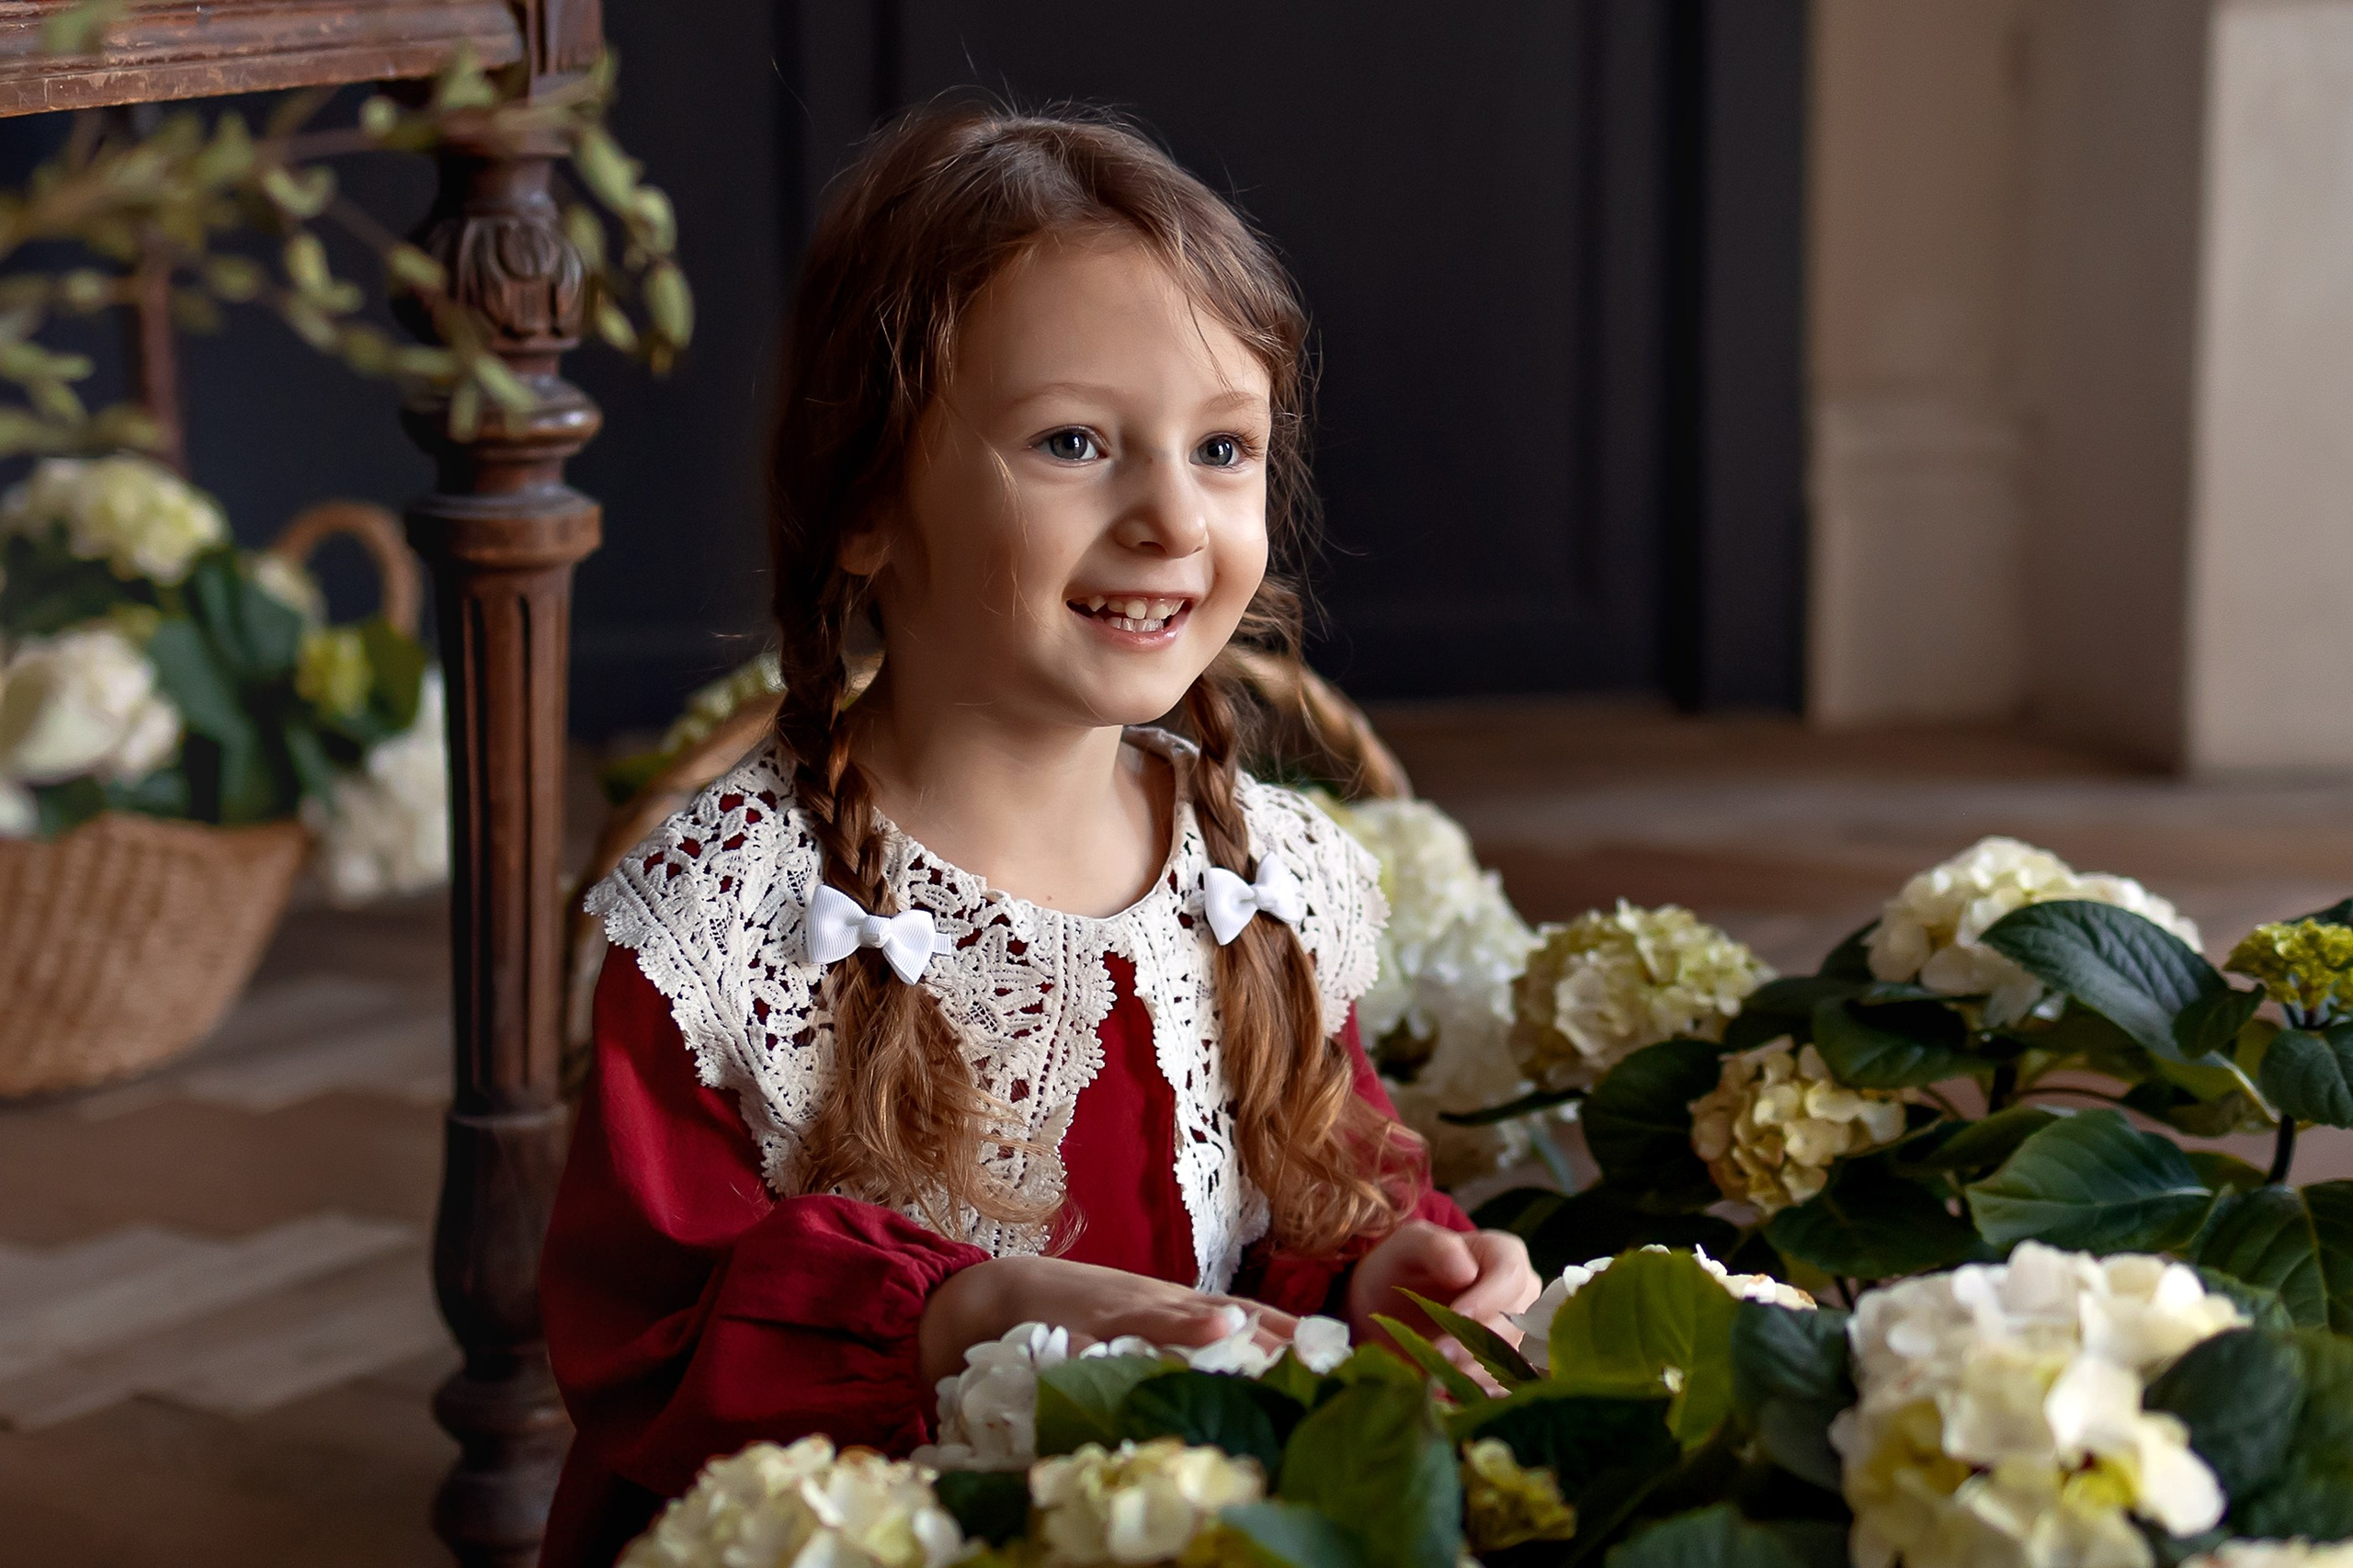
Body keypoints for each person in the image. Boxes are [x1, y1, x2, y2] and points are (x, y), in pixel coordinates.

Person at [539, 101, 1541, 1568]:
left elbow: (1317, 1181)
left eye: (1221, 447)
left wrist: (1389, 1268)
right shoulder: (732, 927)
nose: (1169, 519)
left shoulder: (1257, 881)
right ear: (867, 502)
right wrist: (963, 1313)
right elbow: (644, 1345)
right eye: (1074, 441)